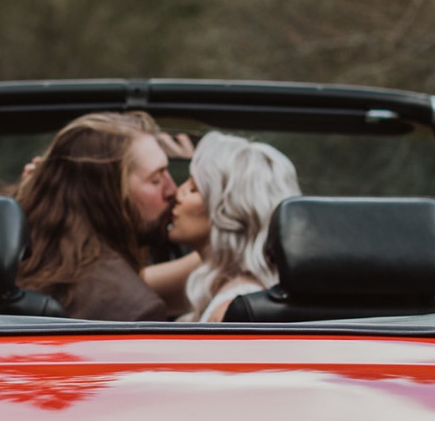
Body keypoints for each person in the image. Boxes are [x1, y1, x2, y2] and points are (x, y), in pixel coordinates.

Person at [16, 111, 177, 321]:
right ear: (110, 193)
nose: (172, 189)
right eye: (156, 179)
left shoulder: (3, 254)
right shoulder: (133, 310)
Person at [164, 131, 301, 322]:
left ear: (229, 211)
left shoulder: (232, 310)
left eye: (193, 189)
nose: (178, 194)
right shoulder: (225, 286)